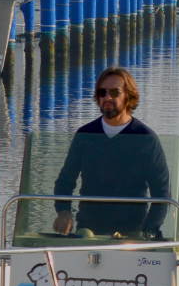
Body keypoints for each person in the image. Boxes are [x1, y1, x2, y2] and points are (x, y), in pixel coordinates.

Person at [52, 66, 172, 239]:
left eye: (115, 92)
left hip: (132, 233)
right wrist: (63, 211)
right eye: (102, 92)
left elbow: (162, 193)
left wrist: (148, 231)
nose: (107, 97)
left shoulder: (146, 139)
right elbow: (65, 181)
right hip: (88, 230)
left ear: (128, 97)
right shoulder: (85, 135)